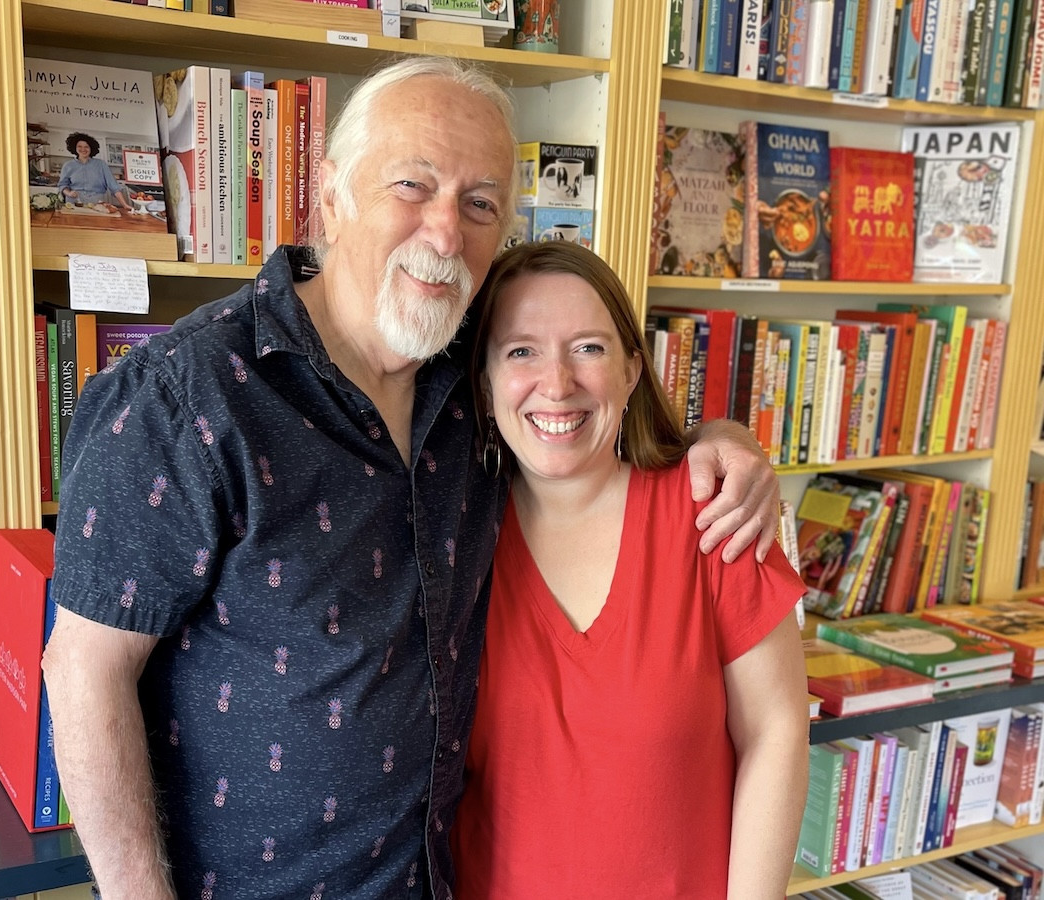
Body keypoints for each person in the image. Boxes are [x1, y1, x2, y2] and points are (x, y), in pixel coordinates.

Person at [43, 56, 782, 900]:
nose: (443, 233)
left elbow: (590, 396)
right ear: (330, 195)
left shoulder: (478, 379)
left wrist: (726, 440)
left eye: (479, 204)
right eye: (411, 185)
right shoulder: (185, 394)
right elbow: (84, 670)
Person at [451, 240, 809, 899]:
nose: (556, 384)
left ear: (632, 371)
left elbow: (776, 731)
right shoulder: (448, 543)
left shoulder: (713, 513)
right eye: (520, 351)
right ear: (483, 380)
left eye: (588, 347)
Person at [57, 131, 129, 208]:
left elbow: (114, 187)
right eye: (79, 146)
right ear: (74, 148)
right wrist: (69, 193)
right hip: (74, 203)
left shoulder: (101, 164)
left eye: (86, 147)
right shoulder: (68, 165)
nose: (83, 149)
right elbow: (63, 185)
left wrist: (125, 205)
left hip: (96, 203)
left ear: (91, 148)